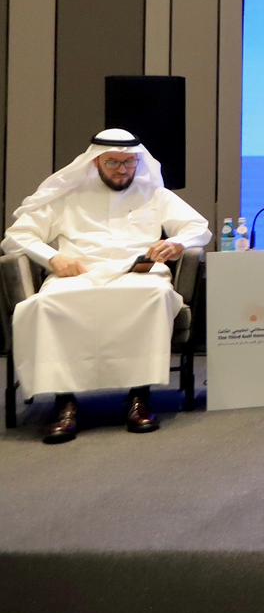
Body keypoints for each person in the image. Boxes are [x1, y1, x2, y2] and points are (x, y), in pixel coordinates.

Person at [2, 129, 211, 443]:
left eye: (129, 163)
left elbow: (199, 227)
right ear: (95, 162)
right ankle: (65, 403)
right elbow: (17, 236)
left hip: (138, 275)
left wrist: (177, 243)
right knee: (48, 304)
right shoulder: (67, 196)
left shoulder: (154, 194)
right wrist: (52, 258)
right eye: (113, 163)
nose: (122, 170)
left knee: (153, 297)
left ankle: (139, 398)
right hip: (78, 276)